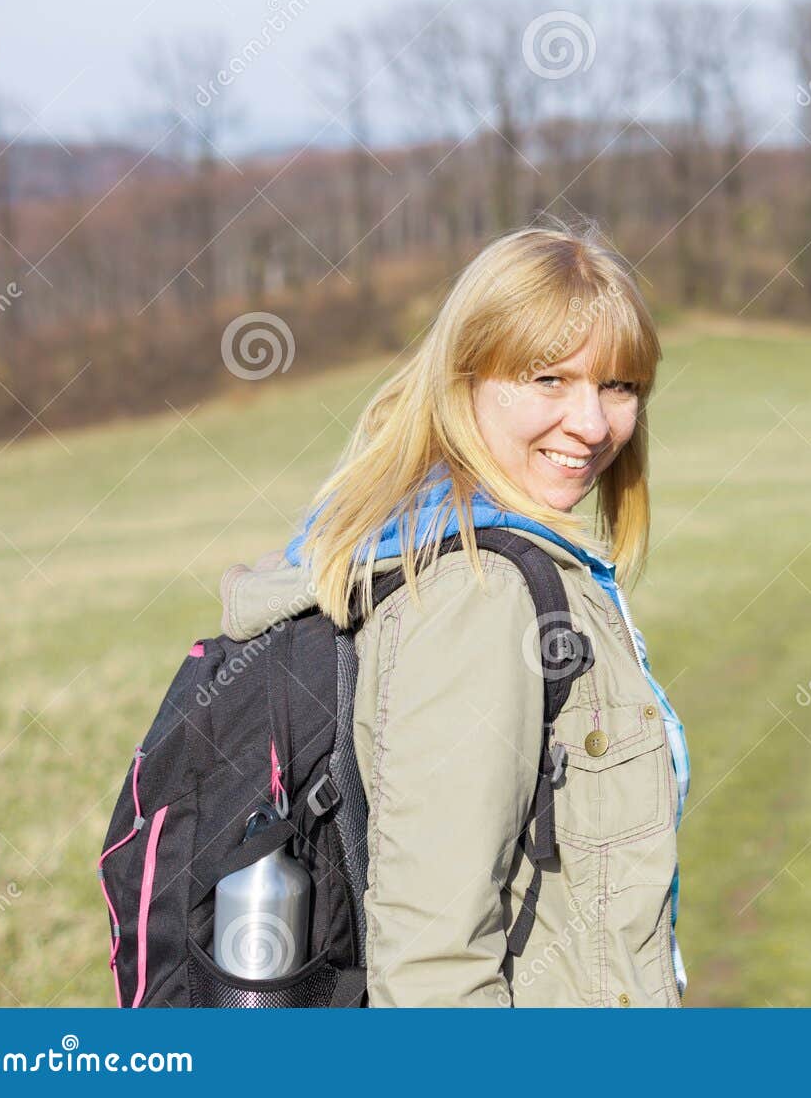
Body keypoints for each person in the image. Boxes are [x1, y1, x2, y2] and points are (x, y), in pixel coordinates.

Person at [217, 225, 688, 1007]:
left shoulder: (480, 550)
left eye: (620, 386)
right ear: (464, 378)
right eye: (548, 378)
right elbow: (434, 965)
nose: (594, 424)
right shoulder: (478, 593)